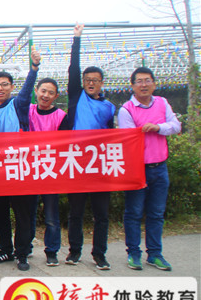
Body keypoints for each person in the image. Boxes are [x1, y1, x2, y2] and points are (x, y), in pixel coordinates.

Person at [119, 67, 181, 271]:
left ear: (154, 83)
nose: (143, 85)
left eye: (147, 80)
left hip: (160, 167)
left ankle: (154, 254)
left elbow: (176, 126)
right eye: (139, 81)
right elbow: (128, 140)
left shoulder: (162, 103)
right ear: (132, 86)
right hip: (138, 169)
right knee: (134, 212)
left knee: (156, 213)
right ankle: (134, 253)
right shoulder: (127, 109)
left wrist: (158, 127)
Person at [65, 24, 116, 270]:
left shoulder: (109, 107)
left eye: (95, 80)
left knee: (101, 215)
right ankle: (74, 252)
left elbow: (114, 136)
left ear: (101, 83)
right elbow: (73, 69)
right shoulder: (77, 97)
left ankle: (99, 254)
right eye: (87, 80)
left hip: (100, 166)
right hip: (77, 163)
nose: (91, 83)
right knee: (75, 213)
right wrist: (77, 39)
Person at [0, 47, 41, 271]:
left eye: (4, 84)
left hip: (19, 168)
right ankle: (5, 250)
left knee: (22, 214)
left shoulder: (18, 105)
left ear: (11, 87)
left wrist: (34, 69)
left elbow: (27, 91)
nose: (0, 88)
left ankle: (22, 253)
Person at [28, 77, 68, 267]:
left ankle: (51, 251)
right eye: (43, 91)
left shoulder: (61, 116)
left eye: (51, 92)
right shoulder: (27, 110)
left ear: (56, 96)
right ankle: (26, 246)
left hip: (51, 171)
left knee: (51, 216)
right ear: (36, 91)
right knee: (28, 212)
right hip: (29, 170)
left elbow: (65, 144)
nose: (46, 95)